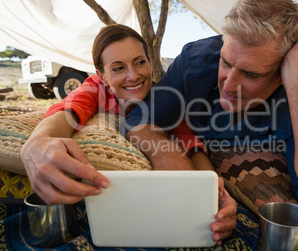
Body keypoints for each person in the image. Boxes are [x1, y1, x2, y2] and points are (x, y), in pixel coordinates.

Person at [122, 0, 298, 227]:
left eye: (251, 74)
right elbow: (139, 120)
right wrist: (171, 158)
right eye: (226, 63)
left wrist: (296, 67)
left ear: (283, 73)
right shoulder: (195, 61)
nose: (228, 86)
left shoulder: (297, 89)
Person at [20, 24, 237, 245]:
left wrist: (212, 188)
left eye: (139, 62)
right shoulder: (96, 89)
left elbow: (186, 137)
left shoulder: (161, 96)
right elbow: (69, 110)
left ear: (150, 62)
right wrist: (39, 140)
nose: (133, 76)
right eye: (118, 68)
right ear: (102, 75)